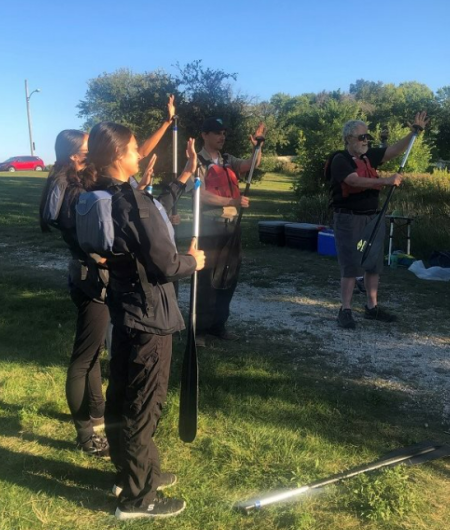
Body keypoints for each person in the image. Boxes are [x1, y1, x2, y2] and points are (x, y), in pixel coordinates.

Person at [39, 97, 180, 456]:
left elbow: (126, 157)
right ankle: (87, 436)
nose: (92, 153)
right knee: (84, 357)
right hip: (92, 276)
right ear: (74, 156)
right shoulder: (75, 190)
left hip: (86, 274)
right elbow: (94, 239)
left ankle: (98, 419)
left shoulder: (71, 182)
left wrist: (165, 125)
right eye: (87, 148)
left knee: (94, 353)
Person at [82, 122, 205, 520]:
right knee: (143, 406)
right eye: (134, 149)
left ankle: (133, 472)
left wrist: (186, 172)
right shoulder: (131, 201)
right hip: (150, 315)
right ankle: (139, 498)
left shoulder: (101, 195)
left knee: (122, 395)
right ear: (118, 155)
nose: (140, 154)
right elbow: (166, 262)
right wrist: (194, 261)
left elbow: (149, 214)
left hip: (125, 310)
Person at [330, 112, 428, 329]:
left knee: (373, 263)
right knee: (351, 265)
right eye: (361, 137)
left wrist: (413, 133)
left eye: (367, 136)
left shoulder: (369, 155)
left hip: (373, 217)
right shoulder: (340, 160)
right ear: (348, 139)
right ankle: (345, 310)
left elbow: (393, 151)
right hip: (349, 219)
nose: (366, 140)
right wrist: (386, 180)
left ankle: (371, 308)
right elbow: (353, 181)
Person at [193, 117, 265, 347]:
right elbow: (199, 195)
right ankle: (200, 330)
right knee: (207, 279)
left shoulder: (227, 159)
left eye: (223, 132)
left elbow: (250, 166)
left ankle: (218, 326)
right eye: (216, 132)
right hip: (209, 227)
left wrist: (258, 147)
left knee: (228, 276)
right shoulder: (197, 162)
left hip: (231, 226)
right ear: (204, 135)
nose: (222, 136)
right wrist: (232, 200)